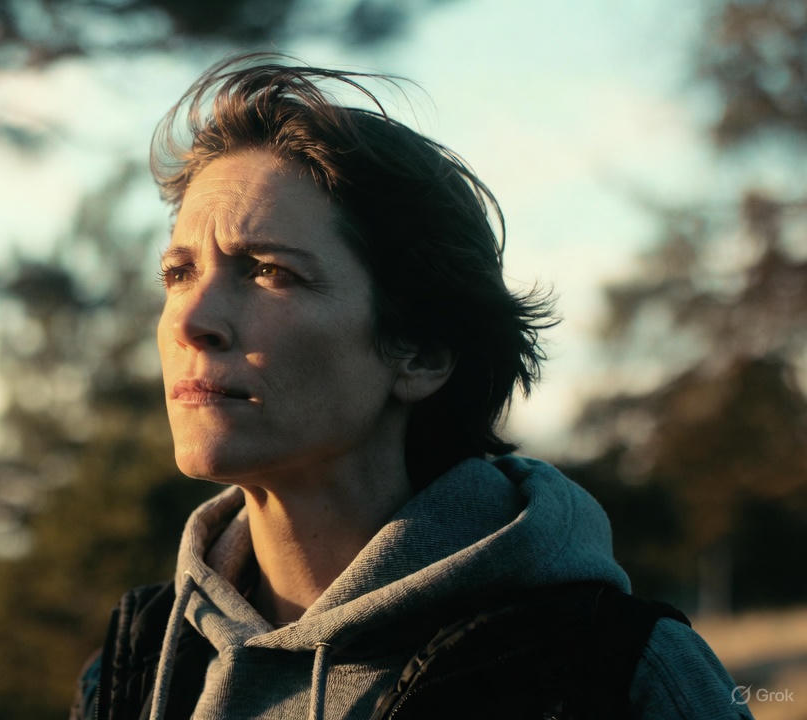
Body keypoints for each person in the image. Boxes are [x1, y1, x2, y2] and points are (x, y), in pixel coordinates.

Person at [73, 55, 749, 720]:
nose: (191, 321)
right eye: (178, 273)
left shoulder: (616, 674)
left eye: (269, 271)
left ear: (421, 351)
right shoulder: (135, 667)